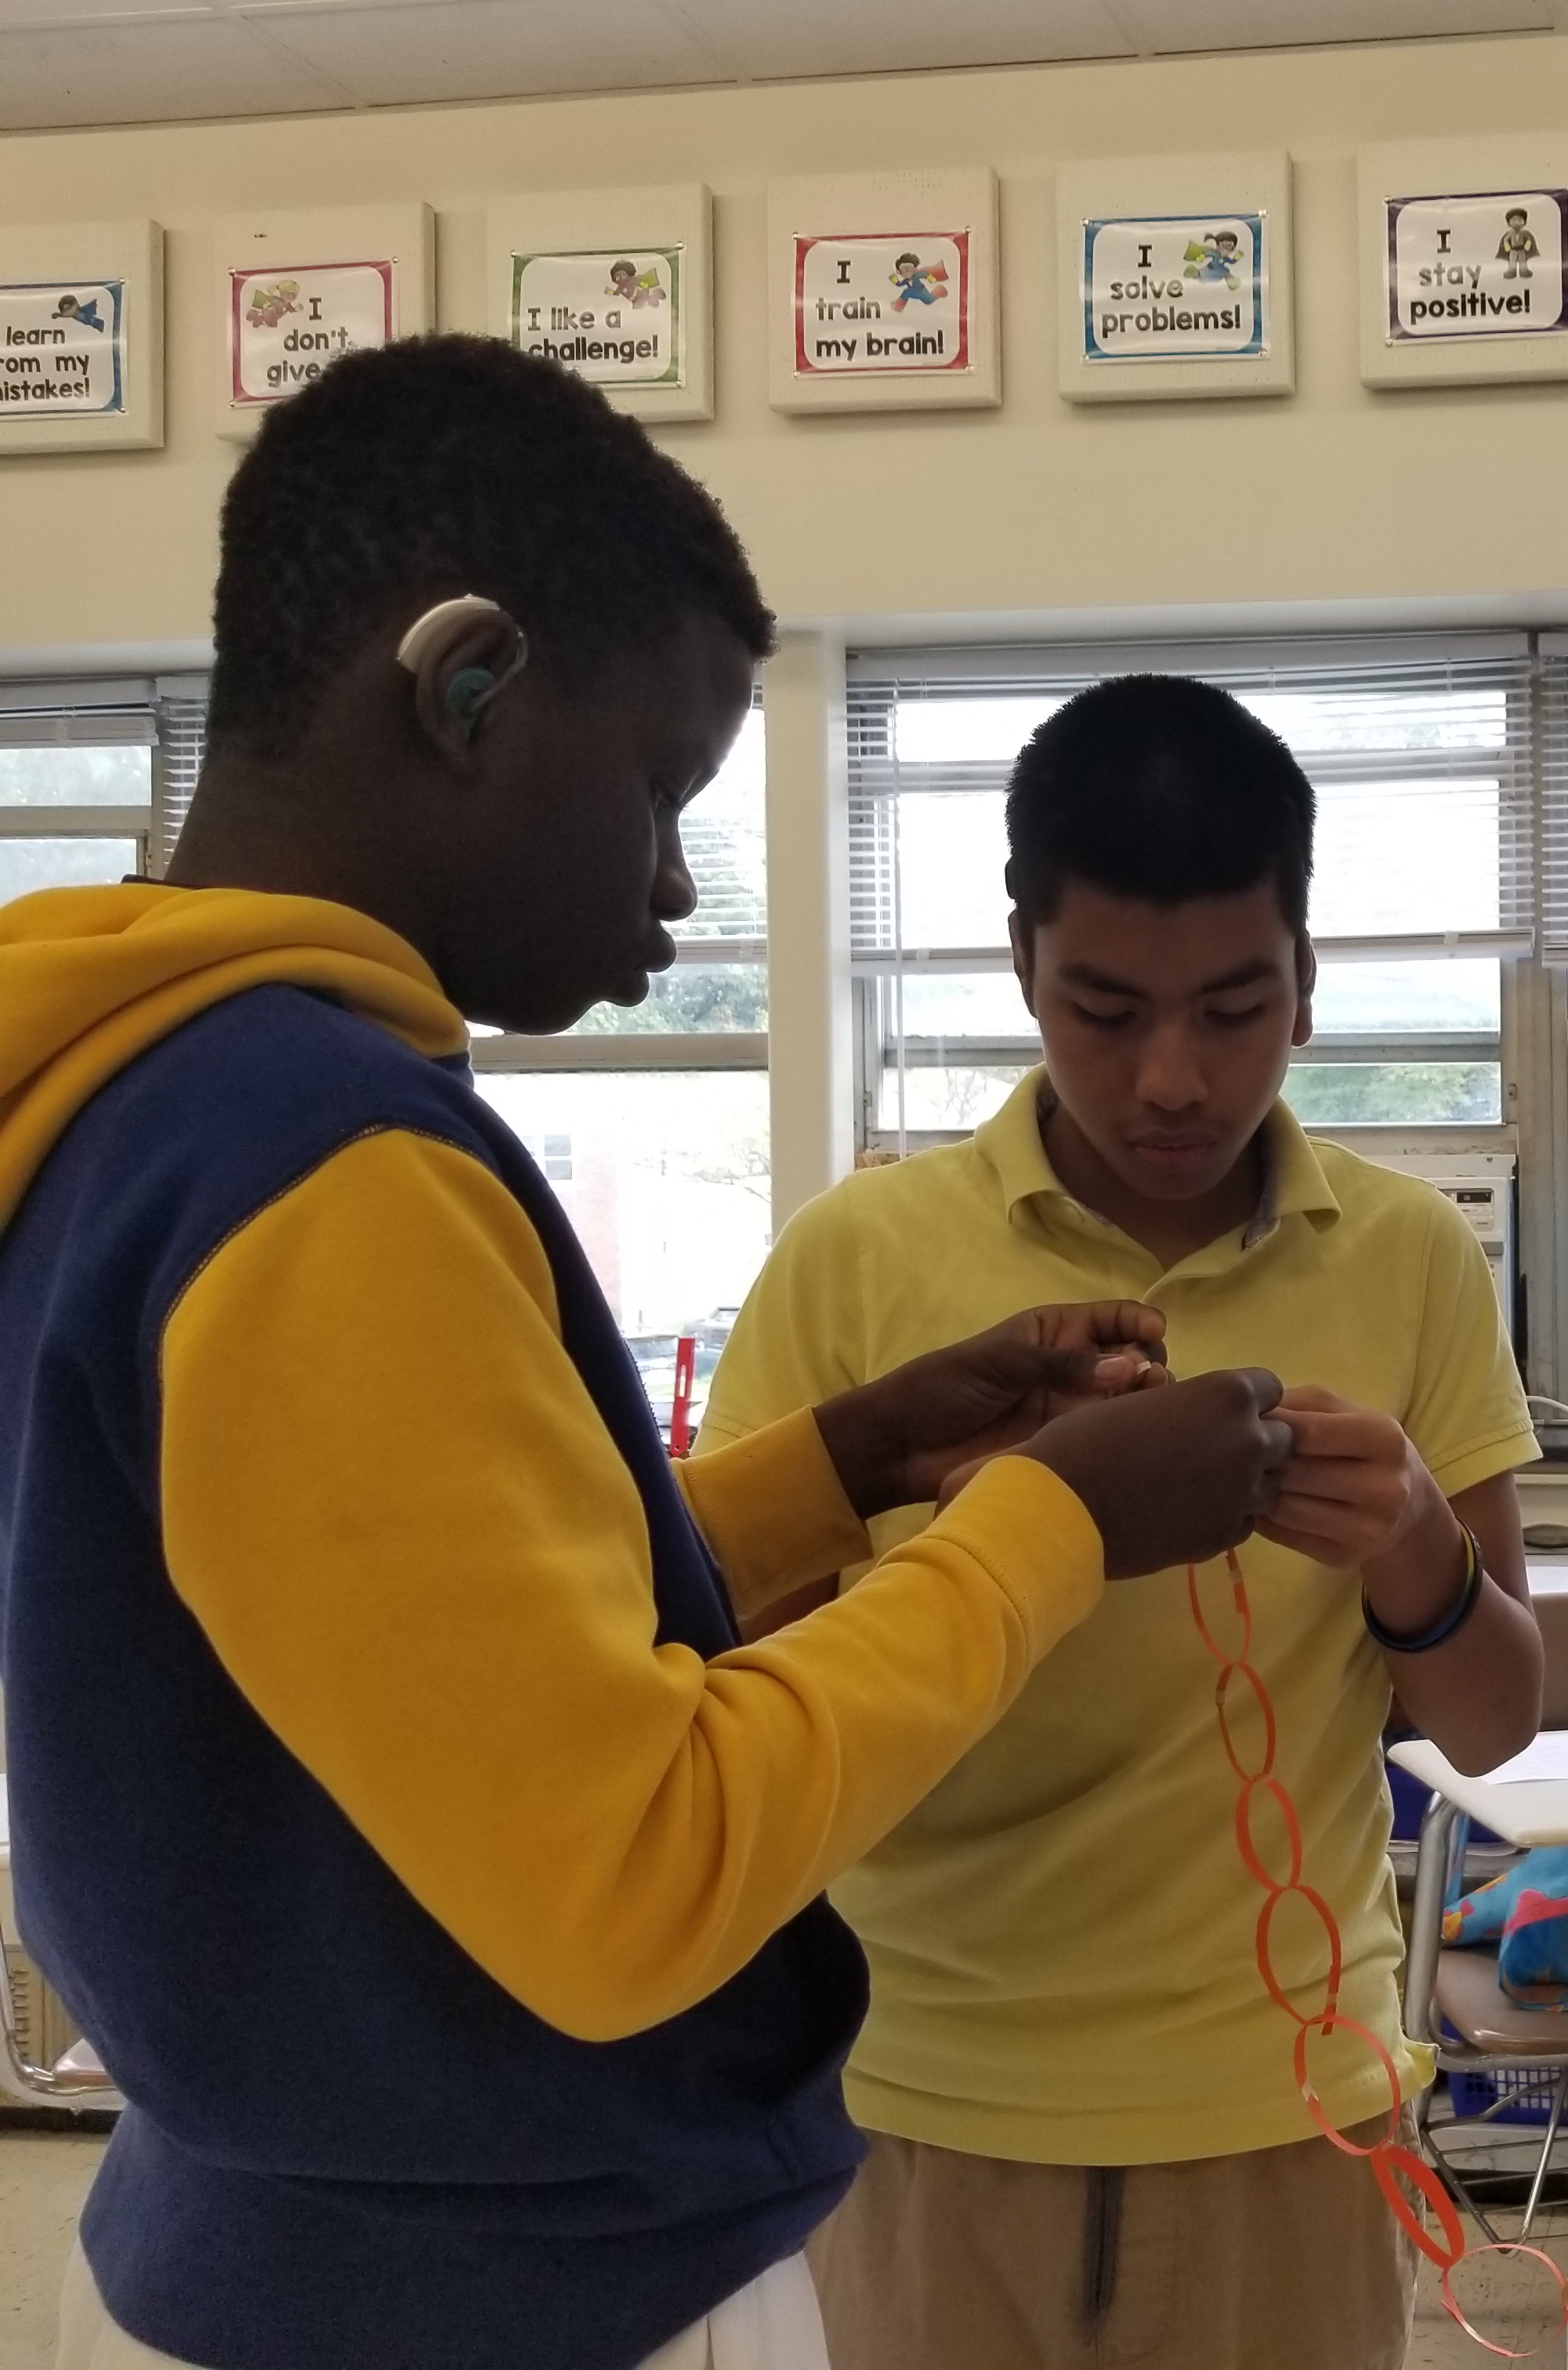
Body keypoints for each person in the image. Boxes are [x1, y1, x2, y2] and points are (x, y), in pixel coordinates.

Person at [0, 336, 1294, 2370]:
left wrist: (840, 1464)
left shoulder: (131, 1102)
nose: (681, 888)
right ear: (469, 689)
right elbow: (627, 1871)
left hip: (277, 2234)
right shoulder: (316, 1157)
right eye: (666, 790)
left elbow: (419, 1652)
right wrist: (1046, 1524)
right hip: (506, 2293)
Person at [698, 672, 1546, 2370]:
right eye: (1103, 1008)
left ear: (1309, 984)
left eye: (1233, 1009)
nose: (1172, 1077)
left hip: (1280, 2102)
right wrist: (992, 1520)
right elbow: (718, 1690)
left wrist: (1411, 1551)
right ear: (1022, 969)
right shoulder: (858, 1263)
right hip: (920, 2090)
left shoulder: (1407, 1259)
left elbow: (1499, 1722)